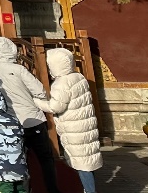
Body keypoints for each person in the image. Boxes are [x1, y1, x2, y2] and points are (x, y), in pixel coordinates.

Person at [0, 37, 60, 193]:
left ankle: (25, 189)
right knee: (45, 159)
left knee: (19, 159)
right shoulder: (19, 69)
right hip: (33, 119)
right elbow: (40, 91)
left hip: (11, 122)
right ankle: (52, 189)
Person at [38, 48, 102, 193]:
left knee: (82, 164)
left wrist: (37, 102)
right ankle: (89, 189)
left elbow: (55, 107)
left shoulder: (61, 83)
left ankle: (90, 191)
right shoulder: (79, 77)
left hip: (74, 129)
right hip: (86, 124)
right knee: (88, 160)